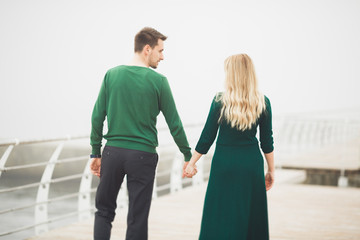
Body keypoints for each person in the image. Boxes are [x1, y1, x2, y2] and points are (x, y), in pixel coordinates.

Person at [89, 27, 192, 240]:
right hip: (143, 156)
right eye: (160, 51)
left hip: (113, 153)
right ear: (147, 49)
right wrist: (187, 155)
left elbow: (97, 116)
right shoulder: (159, 81)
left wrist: (95, 153)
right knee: (138, 215)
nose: (162, 56)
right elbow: (175, 124)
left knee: (104, 211)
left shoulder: (112, 75)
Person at [184, 54, 275, 240]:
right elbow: (267, 142)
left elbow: (207, 137)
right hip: (251, 165)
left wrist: (192, 162)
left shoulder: (220, 101)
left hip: (224, 164)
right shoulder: (262, 102)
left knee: (219, 214)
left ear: (231, 74)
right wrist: (271, 170)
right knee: (250, 215)